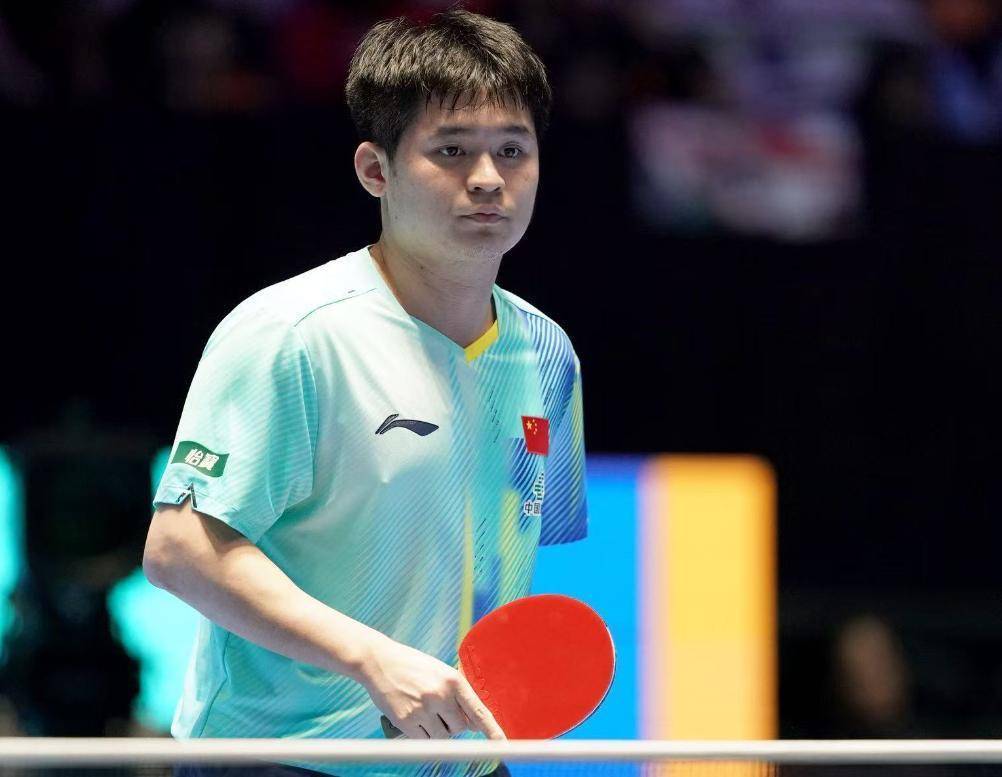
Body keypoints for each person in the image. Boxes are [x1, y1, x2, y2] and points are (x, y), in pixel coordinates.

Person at [142, 8, 588, 777]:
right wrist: (369, 657)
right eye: (452, 150)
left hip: (463, 765)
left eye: (513, 150)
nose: (488, 178)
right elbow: (180, 550)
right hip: (281, 761)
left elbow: (517, 565)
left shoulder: (548, 353)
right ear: (375, 170)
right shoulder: (290, 333)